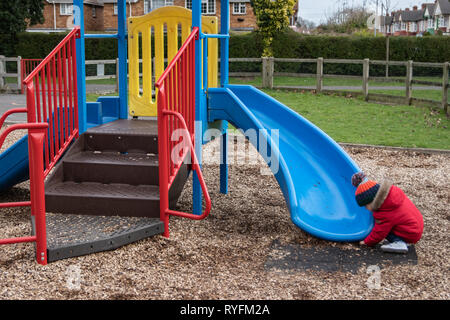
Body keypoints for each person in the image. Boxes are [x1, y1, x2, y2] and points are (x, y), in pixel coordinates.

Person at [351, 172, 424, 253]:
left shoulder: (385, 212)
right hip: (416, 225)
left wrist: (366, 242)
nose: (366, 208)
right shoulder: (391, 195)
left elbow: (379, 232)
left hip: (411, 233)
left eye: (365, 205)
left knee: (385, 230)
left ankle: (399, 242)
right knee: (387, 224)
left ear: (372, 202)